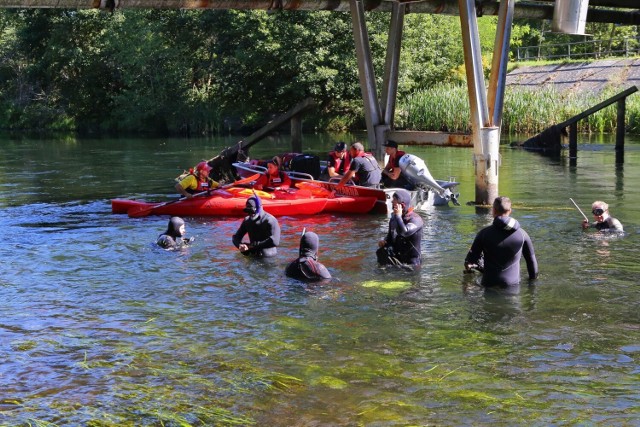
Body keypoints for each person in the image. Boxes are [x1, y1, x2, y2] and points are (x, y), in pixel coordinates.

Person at [464, 196, 539, 287]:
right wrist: (532, 283)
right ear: (510, 211)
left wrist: (471, 267)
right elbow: (532, 263)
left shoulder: (483, 234)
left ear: (493, 211)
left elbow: (470, 261)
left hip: (489, 284)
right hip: (513, 285)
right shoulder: (523, 235)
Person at [376, 189, 423, 267]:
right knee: (382, 252)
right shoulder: (394, 218)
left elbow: (405, 233)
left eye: (394, 199)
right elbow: (390, 237)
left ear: (402, 205)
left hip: (412, 263)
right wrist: (384, 241)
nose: (392, 201)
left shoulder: (415, 219)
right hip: (398, 259)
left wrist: (398, 216)